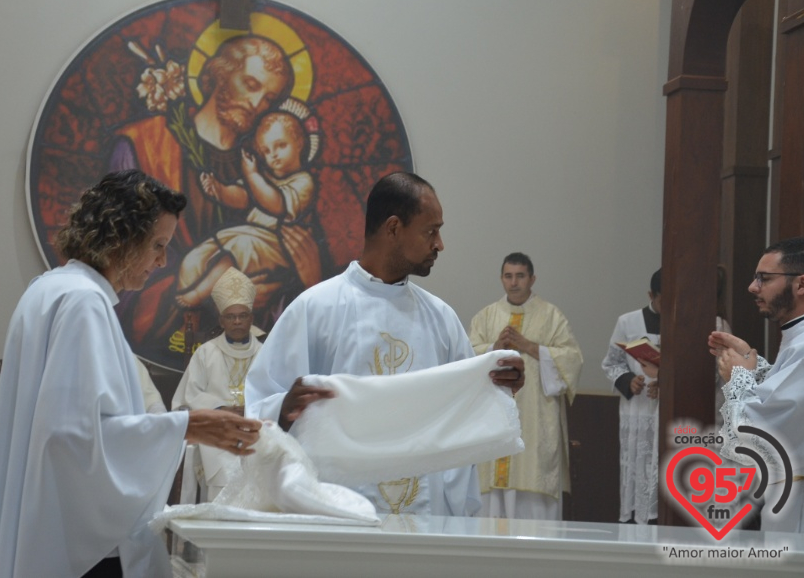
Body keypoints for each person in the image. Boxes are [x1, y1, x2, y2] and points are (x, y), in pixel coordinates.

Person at [0, 170, 262, 578]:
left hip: (41, 524)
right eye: (157, 245)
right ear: (121, 237)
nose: (162, 261)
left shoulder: (48, 289)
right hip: (82, 549)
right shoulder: (83, 303)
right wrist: (185, 427)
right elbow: (73, 438)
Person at [245, 171, 525, 517]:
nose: (440, 244)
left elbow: (461, 415)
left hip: (424, 517)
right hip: (338, 511)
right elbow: (260, 405)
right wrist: (283, 409)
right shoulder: (315, 308)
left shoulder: (441, 318)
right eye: (431, 231)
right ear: (393, 228)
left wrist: (498, 387)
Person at [111, 35, 294, 344]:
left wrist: (264, 292)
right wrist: (223, 290)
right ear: (218, 74)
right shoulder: (144, 144)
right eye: (251, 84)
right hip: (168, 328)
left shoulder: (259, 170)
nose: (255, 104)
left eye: (268, 99)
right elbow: (118, 262)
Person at [467, 252, 583, 520]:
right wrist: (493, 348)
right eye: (508, 276)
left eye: (520, 276)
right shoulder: (486, 317)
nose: (514, 282)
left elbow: (572, 360)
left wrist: (528, 346)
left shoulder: (551, 316)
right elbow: (467, 357)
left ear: (532, 279)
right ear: (501, 279)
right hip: (492, 426)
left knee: (532, 501)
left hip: (535, 428)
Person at [709, 236, 804, 533]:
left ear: (801, 285)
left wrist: (739, 378)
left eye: (764, 278)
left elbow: (767, 431)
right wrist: (753, 368)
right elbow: (791, 400)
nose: (752, 287)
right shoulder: (802, 339)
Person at [175, 102, 321, 310]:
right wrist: (220, 190)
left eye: (280, 145)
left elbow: (276, 204)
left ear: (299, 143)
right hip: (251, 238)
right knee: (198, 257)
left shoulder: (303, 181)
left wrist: (252, 175)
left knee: (237, 249)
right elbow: (242, 197)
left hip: (276, 247)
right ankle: (192, 311)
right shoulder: (263, 181)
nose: (274, 155)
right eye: (266, 151)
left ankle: (201, 292)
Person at [171, 267, 264, 499]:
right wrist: (221, 409)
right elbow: (188, 395)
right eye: (231, 317)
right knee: (216, 450)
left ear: (251, 319)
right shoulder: (205, 353)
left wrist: (251, 409)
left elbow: (273, 391)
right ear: (222, 320)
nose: (237, 322)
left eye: (243, 316)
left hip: (255, 426)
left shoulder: (265, 353)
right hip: (218, 427)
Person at [600, 269, 663, 525]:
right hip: (638, 410)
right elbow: (611, 363)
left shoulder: (683, 320)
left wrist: (666, 382)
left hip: (667, 410)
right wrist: (629, 381)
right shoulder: (628, 322)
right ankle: (635, 520)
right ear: (651, 295)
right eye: (662, 300)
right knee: (638, 471)